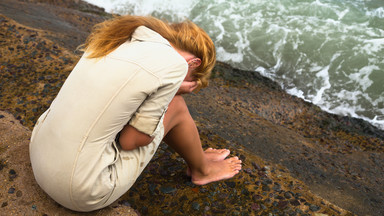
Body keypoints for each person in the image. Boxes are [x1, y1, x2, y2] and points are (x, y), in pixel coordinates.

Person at [29, 15, 242, 212]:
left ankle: (198, 157)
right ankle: (202, 170)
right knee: (176, 104)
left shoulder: (120, 39)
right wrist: (172, 91)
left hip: (39, 153)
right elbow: (131, 141)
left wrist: (171, 87)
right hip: (77, 189)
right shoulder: (175, 65)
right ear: (194, 63)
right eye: (192, 78)